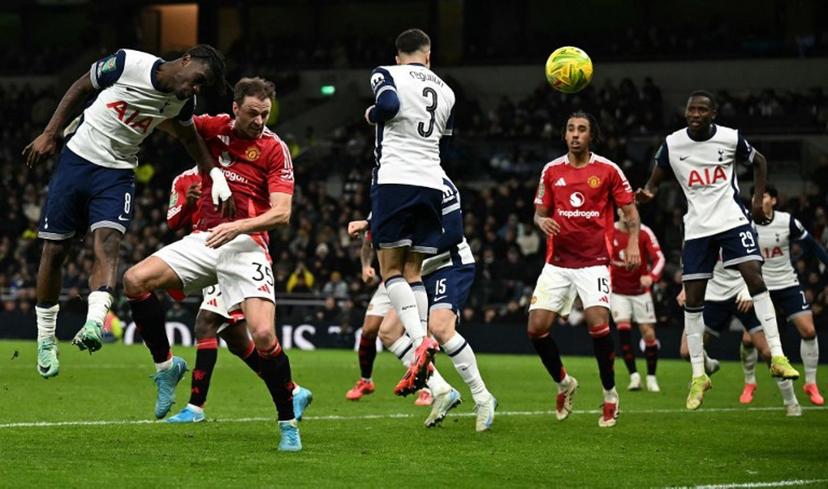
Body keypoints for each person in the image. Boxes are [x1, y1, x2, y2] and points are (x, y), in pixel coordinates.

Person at [26, 45, 233, 379]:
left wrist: (214, 174)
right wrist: (50, 133)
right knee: (55, 250)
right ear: (186, 61)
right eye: (198, 80)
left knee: (108, 243)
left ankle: (94, 323)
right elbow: (81, 86)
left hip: (117, 172)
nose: (196, 89)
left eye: (201, 88)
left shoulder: (182, 102)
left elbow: (189, 137)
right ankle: (46, 339)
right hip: (77, 159)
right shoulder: (126, 63)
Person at [121, 77, 305, 451]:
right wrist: (144, 106)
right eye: (252, 113)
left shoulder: (274, 148)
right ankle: (167, 365)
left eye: (265, 114)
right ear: (235, 108)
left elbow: (282, 213)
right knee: (134, 280)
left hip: (247, 244)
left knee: (264, 336)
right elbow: (174, 123)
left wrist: (238, 225)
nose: (259, 121)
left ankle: (288, 423)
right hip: (204, 239)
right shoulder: (213, 127)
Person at [637, 90, 799, 410]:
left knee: (754, 278)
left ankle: (778, 355)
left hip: (731, 220)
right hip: (697, 229)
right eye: (690, 109)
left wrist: (756, 198)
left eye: (701, 109)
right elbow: (654, 181)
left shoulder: (730, 138)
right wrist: (646, 193)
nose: (694, 114)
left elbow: (760, 161)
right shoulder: (672, 143)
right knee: (693, 300)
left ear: (713, 114)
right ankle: (699, 376)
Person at [162, 167, 312, 424]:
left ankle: (195, 407)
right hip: (205, 251)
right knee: (237, 340)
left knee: (206, 323)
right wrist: (189, 202)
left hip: (236, 252)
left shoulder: (236, 170)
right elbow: (173, 221)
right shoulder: (183, 179)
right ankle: (293, 390)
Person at [528, 112, 641, 428]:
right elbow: (539, 213)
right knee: (536, 329)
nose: (575, 134)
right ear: (564, 136)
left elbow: (630, 211)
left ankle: (609, 395)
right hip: (558, 263)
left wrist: (632, 243)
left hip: (593, 262)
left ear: (591, 136)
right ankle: (564, 383)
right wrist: (542, 221)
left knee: (598, 325)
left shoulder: (608, 170)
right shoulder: (551, 171)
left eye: (582, 130)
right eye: (570, 129)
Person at [364, 28, 457, 395]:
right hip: (432, 182)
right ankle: (423, 341)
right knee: (414, 270)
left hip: (395, 179)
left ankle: (420, 342)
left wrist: (371, 114)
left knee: (390, 271)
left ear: (398, 53)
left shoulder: (386, 73)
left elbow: (388, 107)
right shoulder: (447, 91)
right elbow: (446, 144)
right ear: (428, 55)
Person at [677, 259, 801, 416]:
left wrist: (749, 288)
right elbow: (690, 260)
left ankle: (791, 402)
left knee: (768, 352)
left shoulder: (742, 233)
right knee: (686, 351)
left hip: (742, 294)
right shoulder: (693, 234)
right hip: (711, 296)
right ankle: (709, 366)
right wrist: (685, 288)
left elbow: (759, 259)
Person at [741, 185, 828, 405]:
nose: (758, 199)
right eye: (755, 196)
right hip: (760, 288)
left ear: (775, 201)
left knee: (808, 330)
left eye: (764, 195)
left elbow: (813, 246)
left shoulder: (787, 221)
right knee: (749, 339)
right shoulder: (746, 224)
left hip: (787, 283)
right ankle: (751, 382)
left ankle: (810, 383)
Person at [344, 220, 433, 407]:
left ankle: (428, 387)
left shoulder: (410, 203)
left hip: (414, 279)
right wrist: (365, 265)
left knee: (417, 334)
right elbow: (368, 241)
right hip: (388, 281)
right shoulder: (377, 209)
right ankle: (366, 381)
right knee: (368, 330)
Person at [610, 210, 665, 392]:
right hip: (617, 292)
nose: (626, 214)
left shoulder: (644, 232)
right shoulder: (609, 232)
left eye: (629, 211)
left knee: (648, 334)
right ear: (618, 212)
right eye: (622, 210)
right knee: (623, 331)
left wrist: (651, 277)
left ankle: (651, 377)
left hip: (641, 291)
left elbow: (660, 259)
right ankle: (634, 376)